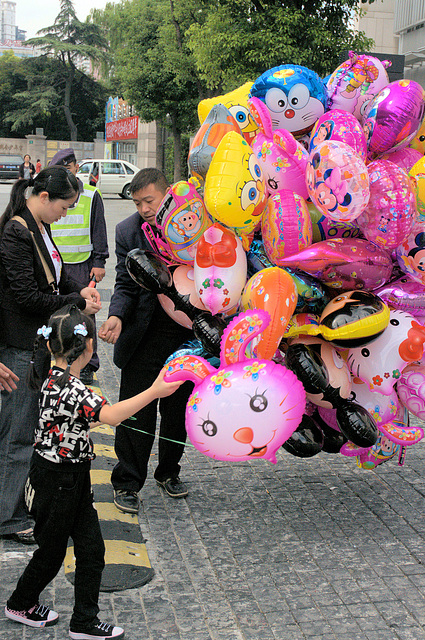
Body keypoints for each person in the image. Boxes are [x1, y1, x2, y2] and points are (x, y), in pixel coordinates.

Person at [4, 304, 183, 639]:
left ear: (50, 345)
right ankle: (20, 602)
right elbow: (112, 415)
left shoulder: (51, 375)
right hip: (59, 483)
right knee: (52, 553)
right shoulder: (72, 389)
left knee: (90, 551)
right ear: (87, 349)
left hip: (65, 478)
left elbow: (93, 416)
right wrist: (156, 391)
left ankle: (83, 622)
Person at [0, 167, 101, 545]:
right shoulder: (16, 231)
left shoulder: (37, 226)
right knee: (17, 434)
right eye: (65, 205)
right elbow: (27, 297)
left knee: (24, 430)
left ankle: (14, 507)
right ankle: (8, 519)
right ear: (44, 197)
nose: (67, 213)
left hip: (30, 344)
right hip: (17, 346)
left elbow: (53, 279)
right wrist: (76, 300)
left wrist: (82, 291)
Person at [99, 168, 193, 514]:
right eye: (137, 203)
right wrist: (116, 316)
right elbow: (124, 282)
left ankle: (169, 472)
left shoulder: (192, 223)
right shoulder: (128, 231)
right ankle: (126, 482)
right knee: (136, 412)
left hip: (185, 336)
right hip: (142, 336)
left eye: (149, 201)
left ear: (167, 193)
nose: (143, 208)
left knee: (177, 412)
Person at [50, 149, 109, 385]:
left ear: (76, 167)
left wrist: (100, 261)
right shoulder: (52, 194)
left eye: (68, 169)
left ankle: (87, 364)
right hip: (56, 265)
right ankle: (58, 359)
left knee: (86, 315)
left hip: (82, 266)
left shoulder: (91, 195)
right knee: (57, 315)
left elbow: (99, 229)